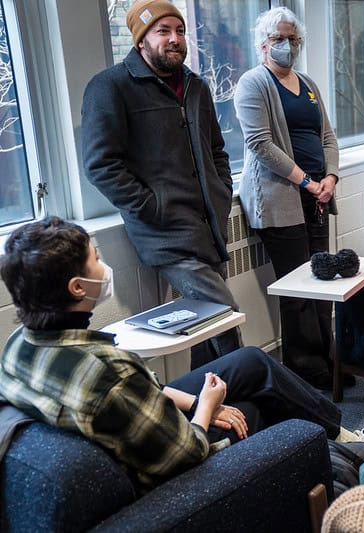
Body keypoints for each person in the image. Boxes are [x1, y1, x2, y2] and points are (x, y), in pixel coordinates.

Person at [0, 217, 342, 491]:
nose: (103, 267)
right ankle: (329, 458)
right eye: (96, 259)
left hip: (131, 422)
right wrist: (208, 407)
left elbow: (139, 389)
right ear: (77, 287)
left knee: (250, 361)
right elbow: (188, 451)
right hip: (171, 470)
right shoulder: (109, 375)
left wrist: (196, 402)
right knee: (252, 409)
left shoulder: (19, 345)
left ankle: (338, 432)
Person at [81, 0, 241, 365]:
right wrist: (152, 207)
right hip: (167, 236)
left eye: (180, 31)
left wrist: (221, 192)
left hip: (209, 228)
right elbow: (100, 164)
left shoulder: (196, 86)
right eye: (163, 31)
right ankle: (256, 399)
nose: (174, 39)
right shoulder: (111, 87)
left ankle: (209, 411)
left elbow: (217, 149)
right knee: (226, 316)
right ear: (141, 41)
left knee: (206, 330)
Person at [234, 7, 340, 389]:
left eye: (294, 39)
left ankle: (328, 360)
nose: (288, 46)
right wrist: (308, 182)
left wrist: (329, 177)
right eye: (280, 38)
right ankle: (304, 374)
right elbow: (260, 144)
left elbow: (327, 135)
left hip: (317, 197)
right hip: (280, 201)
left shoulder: (307, 82)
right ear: (263, 43)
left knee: (324, 282)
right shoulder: (253, 83)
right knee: (297, 290)